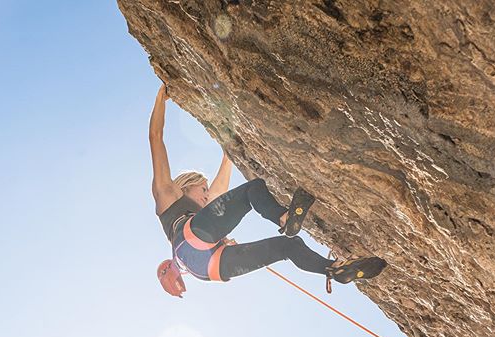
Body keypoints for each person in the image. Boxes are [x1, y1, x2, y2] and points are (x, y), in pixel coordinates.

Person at [150, 84, 387, 297]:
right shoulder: (167, 195)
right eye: (202, 188)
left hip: (210, 269)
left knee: (288, 248)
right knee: (254, 189)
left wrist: (228, 151)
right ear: (186, 186)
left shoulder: (201, 212)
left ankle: (334, 270)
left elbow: (219, 188)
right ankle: (284, 218)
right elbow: (156, 137)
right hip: (191, 241)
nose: (206, 193)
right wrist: (161, 97)